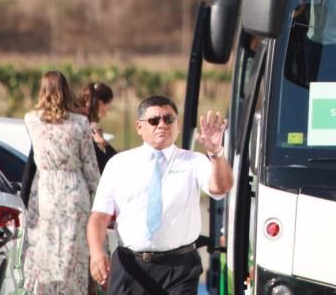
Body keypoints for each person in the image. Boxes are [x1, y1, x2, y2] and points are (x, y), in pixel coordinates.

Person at [86, 97, 233, 295]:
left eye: (168, 119)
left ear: (178, 125)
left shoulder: (194, 161)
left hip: (180, 268)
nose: (162, 125)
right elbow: (99, 217)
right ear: (139, 127)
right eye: (154, 121)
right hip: (130, 266)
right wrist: (96, 252)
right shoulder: (119, 164)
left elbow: (221, 188)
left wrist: (216, 153)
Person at [23, 71, 101, 295]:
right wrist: (99, 201)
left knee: (43, 250)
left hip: (45, 190)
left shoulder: (31, 120)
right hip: (74, 191)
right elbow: (90, 167)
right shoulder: (80, 123)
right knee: (72, 253)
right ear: (67, 91)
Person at [80, 82, 117, 172]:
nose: (106, 114)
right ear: (100, 104)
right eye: (108, 108)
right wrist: (103, 142)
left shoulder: (76, 120)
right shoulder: (85, 127)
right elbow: (112, 162)